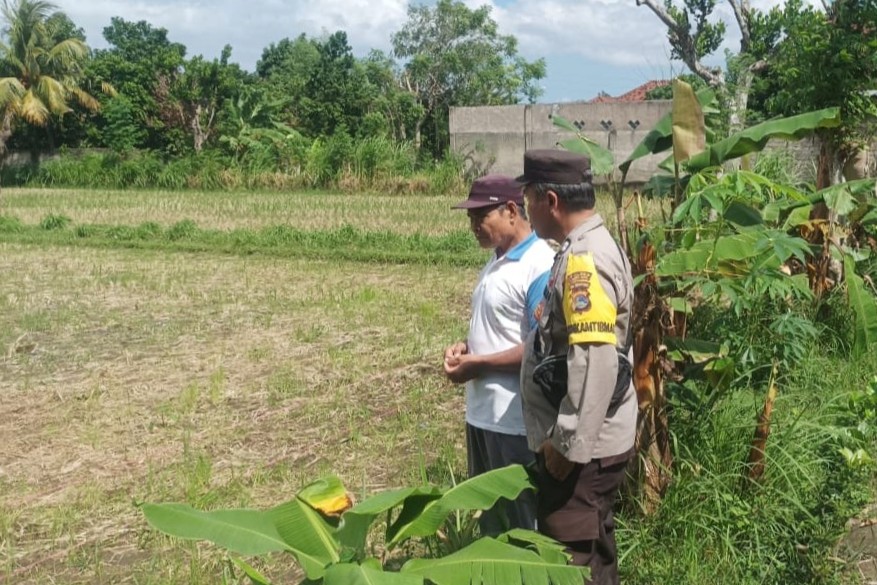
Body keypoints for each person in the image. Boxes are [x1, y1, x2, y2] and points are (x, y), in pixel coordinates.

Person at [517, 150, 637, 585]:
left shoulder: (585, 260)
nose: (526, 211)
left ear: (551, 201)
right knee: (595, 550)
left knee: (570, 564)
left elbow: (595, 361)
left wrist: (565, 446)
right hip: (596, 442)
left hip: (584, 451)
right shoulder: (584, 247)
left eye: (528, 199)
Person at [443, 174, 555, 534]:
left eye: (481, 216)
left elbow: (544, 347)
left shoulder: (539, 263)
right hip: (482, 415)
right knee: (490, 520)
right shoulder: (495, 261)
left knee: (520, 524)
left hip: (514, 422)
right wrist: (467, 347)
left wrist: (478, 364)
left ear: (510, 211)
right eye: (470, 219)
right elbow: (498, 329)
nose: (474, 226)